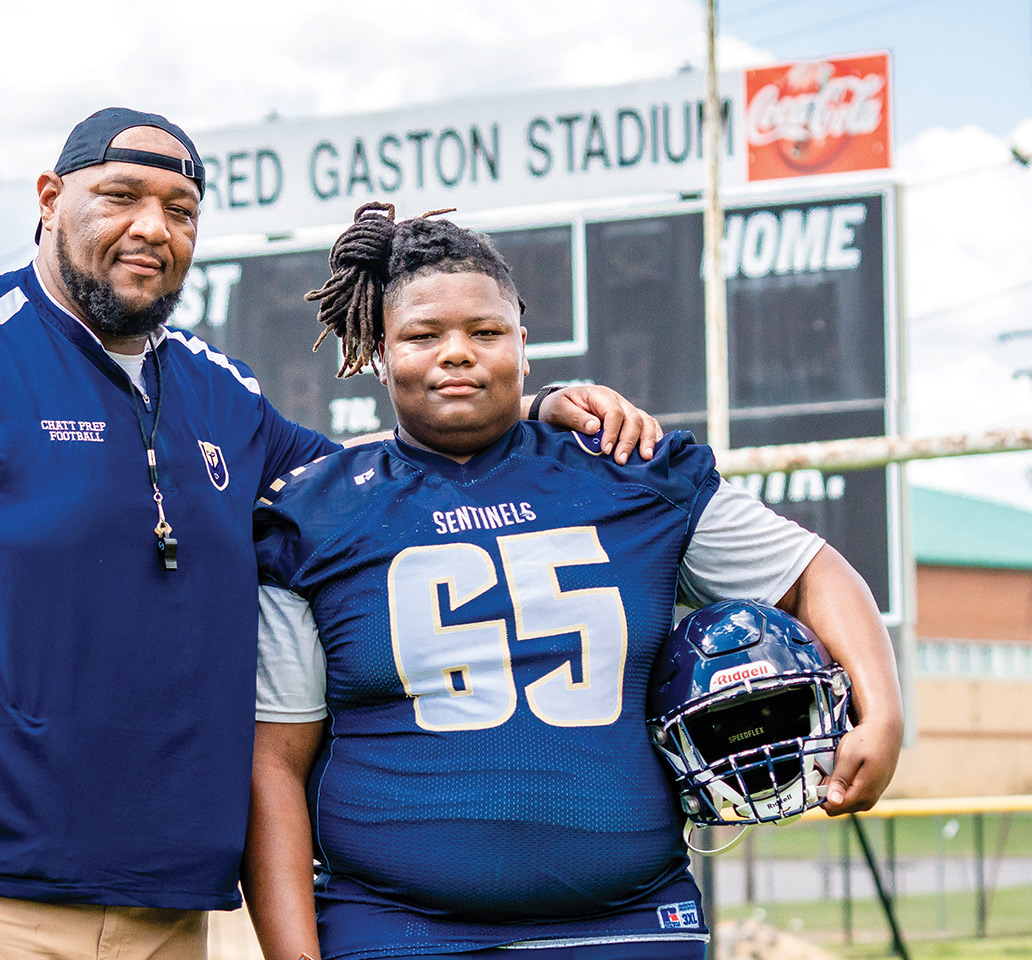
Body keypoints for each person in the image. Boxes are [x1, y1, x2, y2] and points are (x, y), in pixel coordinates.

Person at [0, 109, 662, 960]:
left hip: (166, 907)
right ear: (49, 199)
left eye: (180, 209)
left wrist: (528, 408)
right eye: (121, 197)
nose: (153, 227)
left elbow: (371, 477)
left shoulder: (216, 389)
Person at [243, 203, 903, 960]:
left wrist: (882, 714)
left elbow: (812, 570)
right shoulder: (318, 514)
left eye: (484, 332)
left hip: (630, 921)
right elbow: (274, 763)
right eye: (423, 336)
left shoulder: (630, 471)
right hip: (395, 929)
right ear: (379, 356)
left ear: (524, 347)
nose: (456, 353)